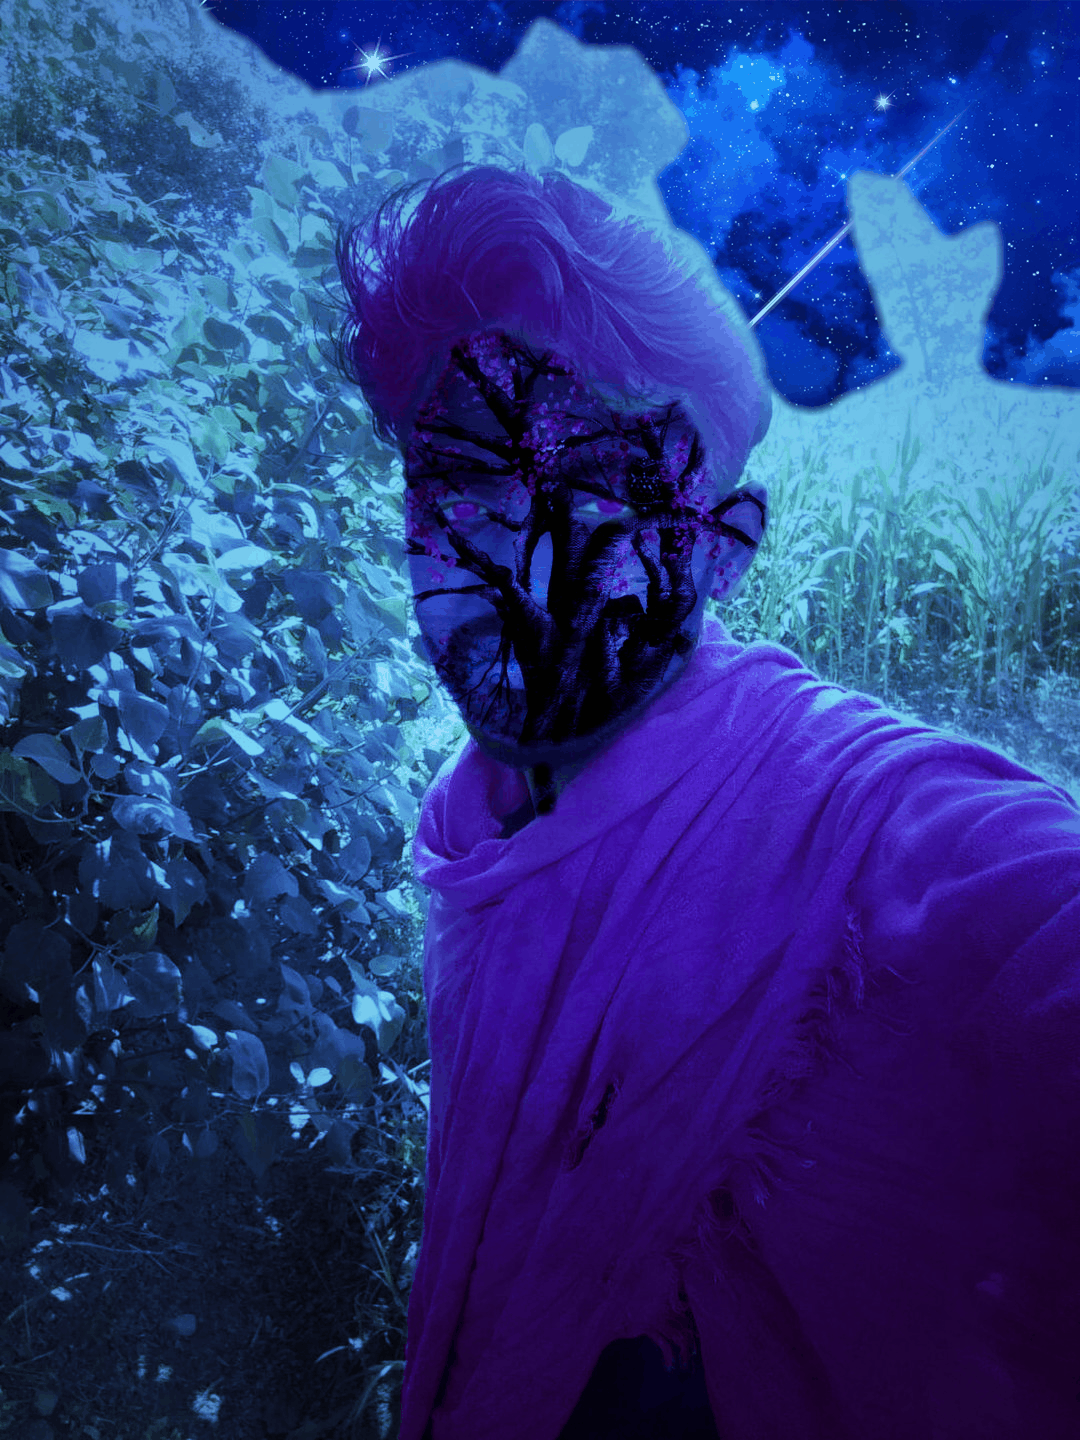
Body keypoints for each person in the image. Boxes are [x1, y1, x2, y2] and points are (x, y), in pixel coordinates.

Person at [331, 165, 1080, 1440]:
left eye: (603, 483)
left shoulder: (877, 831)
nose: (517, 553)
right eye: (465, 471)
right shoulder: (481, 820)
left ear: (722, 548)